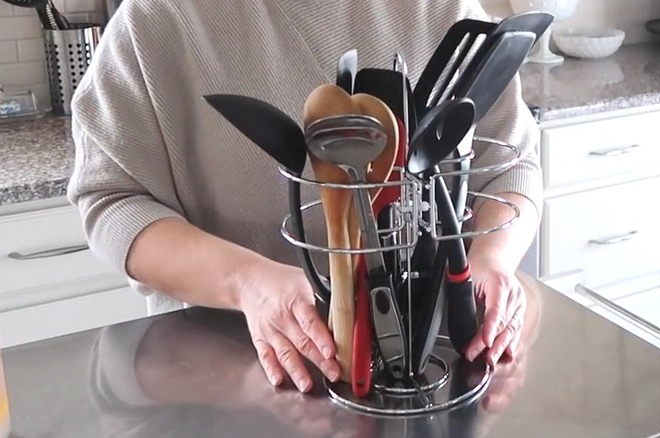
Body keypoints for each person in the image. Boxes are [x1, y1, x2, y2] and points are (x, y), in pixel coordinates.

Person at [67, 0, 542, 393]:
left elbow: (513, 166)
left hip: (434, 353)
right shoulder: (158, 20)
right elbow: (112, 199)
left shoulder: (439, 4)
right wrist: (247, 282)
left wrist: (493, 256)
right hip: (229, 372)